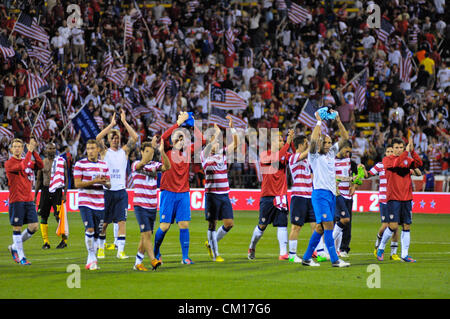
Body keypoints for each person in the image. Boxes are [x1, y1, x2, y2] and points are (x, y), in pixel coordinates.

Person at [153, 112, 204, 264]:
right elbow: (162, 138)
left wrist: (194, 126)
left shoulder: (188, 152)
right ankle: (155, 251)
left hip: (183, 193)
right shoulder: (167, 151)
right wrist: (178, 123)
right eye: (178, 138)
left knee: (184, 224)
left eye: (183, 139)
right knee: (164, 226)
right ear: (173, 140)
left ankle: (185, 257)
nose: (181, 141)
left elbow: (202, 141)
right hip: (168, 192)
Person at [301, 111, 350, 268]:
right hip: (320, 194)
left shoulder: (331, 154)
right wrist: (318, 122)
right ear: (320, 144)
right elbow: (313, 139)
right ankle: (335, 260)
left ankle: (307, 258)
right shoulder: (314, 156)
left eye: (330, 143)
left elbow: (345, 138)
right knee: (328, 225)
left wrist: (338, 121)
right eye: (326, 143)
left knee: (321, 228)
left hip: (331, 195)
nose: (329, 145)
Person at [96, 110, 138, 260]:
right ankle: (101, 248)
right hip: (107, 191)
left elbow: (135, 137)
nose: (115, 139)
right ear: (109, 139)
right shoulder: (104, 152)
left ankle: (120, 251)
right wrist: (111, 125)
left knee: (122, 222)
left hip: (121, 192)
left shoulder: (124, 152)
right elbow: (97, 137)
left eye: (117, 137)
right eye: (112, 137)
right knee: (104, 223)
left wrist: (124, 122)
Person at [248, 129, 294, 261]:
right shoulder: (265, 155)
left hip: (281, 196)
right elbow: (276, 158)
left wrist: (292, 142)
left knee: (282, 224)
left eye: (282, 140)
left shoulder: (285, 154)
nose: (282, 142)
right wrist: (287, 145)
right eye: (279, 140)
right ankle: (252, 246)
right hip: (267, 196)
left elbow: (297, 157)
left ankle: (283, 253)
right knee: (262, 226)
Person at [376, 136, 423, 262]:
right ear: (392, 148)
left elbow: (419, 164)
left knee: (407, 226)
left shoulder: (407, 159)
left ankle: (404, 254)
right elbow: (397, 163)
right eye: (396, 148)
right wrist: (406, 153)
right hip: (394, 198)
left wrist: (412, 151)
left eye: (401, 147)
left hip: (407, 198)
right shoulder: (387, 160)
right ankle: (381, 248)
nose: (398, 150)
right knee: (393, 226)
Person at [201, 118, 239, 262]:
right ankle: (216, 255)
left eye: (218, 142)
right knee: (212, 224)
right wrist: (216, 134)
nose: (217, 144)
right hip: (212, 195)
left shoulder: (222, 153)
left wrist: (232, 129)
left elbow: (236, 144)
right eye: (215, 142)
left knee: (229, 223)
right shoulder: (204, 156)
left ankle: (210, 243)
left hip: (224, 194)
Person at [131, 138, 170, 271]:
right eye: (147, 152)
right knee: (146, 233)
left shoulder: (154, 165)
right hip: (140, 205)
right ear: (141, 152)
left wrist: (162, 152)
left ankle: (137, 263)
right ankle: (153, 260)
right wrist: (148, 155)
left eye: (151, 153)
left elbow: (167, 167)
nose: (149, 154)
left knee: (145, 236)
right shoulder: (135, 164)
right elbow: (139, 165)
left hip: (152, 206)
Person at [73, 139, 111, 271]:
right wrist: (95, 181)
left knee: (96, 233)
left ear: (98, 150)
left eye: (92, 148)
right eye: (88, 148)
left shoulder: (104, 165)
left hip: (100, 203)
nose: (90, 151)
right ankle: (91, 257)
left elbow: (109, 184)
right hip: (86, 202)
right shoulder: (80, 164)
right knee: (89, 229)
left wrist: (104, 182)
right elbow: (77, 184)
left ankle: (92, 260)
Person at [6, 138, 44, 265]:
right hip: (16, 200)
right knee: (17, 227)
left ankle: (14, 247)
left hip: (28, 199)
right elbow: (22, 167)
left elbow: (40, 165)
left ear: (23, 148)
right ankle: (21, 257)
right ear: (11, 149)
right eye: (15, 146)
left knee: (34, 227)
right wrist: (29, 152)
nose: (17, 148)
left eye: (19, 146)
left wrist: (34, 152)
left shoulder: (27, 159)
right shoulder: (9, 163)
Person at [369, 145, 402, 261]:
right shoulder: (380, 165)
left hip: (395, 198)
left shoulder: (398, 165)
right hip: (384, 199)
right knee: (385, 225)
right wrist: (362, 170)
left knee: (396, 226)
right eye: (387, 151)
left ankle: (393, 253)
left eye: (391, 151)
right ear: (385, 153)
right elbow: (369, 174)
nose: (389, 153)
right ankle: (378, 244)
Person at [287, 135, 316, 263]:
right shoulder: (293, 158)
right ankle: (292, 255)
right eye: (306, 142)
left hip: (310, 196)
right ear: (300, 145)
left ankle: (317, 251)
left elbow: (312, 175)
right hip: (298, 197)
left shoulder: (307, 160)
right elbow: (308, 152)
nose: (307, 144)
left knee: (316, 225)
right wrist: (314, 144)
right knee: (296, 227)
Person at [34, 142, 69, 249]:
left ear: (55, 150)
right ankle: (46, 242)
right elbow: (39, 180)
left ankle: (64, 241)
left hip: (58, 192)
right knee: (43, 216)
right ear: (45, 150)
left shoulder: (61, 162)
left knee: (59, 216)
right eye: (49, 148)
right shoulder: (41, 163)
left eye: (53, 148)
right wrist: (35, 196)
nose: (51, 150)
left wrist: (65, 194)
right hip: (45, 191)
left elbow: (66, 178)